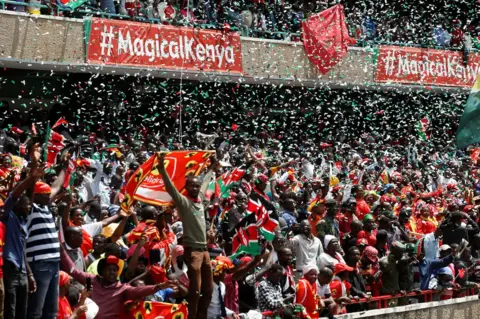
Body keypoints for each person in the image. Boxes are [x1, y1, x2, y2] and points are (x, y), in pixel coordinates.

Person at [157, 152, 214, 319]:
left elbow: (205, 183)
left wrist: (211, 167)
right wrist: (162, 169)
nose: (196, 188)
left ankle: (201, 316)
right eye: (192, 186)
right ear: (187, 187)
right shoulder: (184, 201)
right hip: (193, 251)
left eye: (196, 186)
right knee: (195, 291)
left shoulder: (200, 200)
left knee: (208, 290)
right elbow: (171, 189)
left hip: (205, 251)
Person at [60, 246, 177, 319]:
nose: (112, 273)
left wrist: (159, 286)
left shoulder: (122, 288)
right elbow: (73, 271)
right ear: (101, 271)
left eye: (115, 270)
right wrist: (60, 249)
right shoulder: (92, 280)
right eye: (109, 270)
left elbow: (138, 291)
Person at [27, 177, 62, 319]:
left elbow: (57, 186)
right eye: (45, 195)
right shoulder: (30, 209)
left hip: (53, 264)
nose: (49, 197)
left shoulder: (45, 207)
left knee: (52, 310)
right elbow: (28, 191)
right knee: (36, 310)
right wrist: (34, 175)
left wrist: (66, 168)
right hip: (40, 263)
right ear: (35, 196)